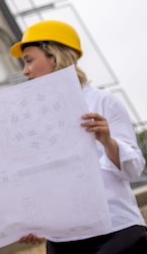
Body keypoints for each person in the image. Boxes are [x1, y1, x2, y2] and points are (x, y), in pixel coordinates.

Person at [10, 19, 147, 254]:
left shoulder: (102, 102)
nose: (25, 71)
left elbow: (134, 170)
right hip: (62, 240)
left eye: (29, 60)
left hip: (116, 233)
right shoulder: (29, 119)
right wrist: (33, 218)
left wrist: (107, 140)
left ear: (54, 57)